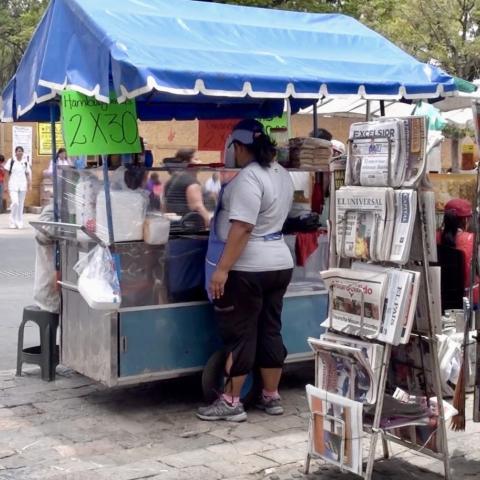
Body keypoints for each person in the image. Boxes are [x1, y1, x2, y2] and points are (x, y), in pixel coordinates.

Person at [197, 119, 294, 422]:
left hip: (249, 267)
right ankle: (271, 396)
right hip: (279, 263)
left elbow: (242, 227)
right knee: (270, 329)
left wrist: (221, 270)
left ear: (239, 147)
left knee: (241, 334)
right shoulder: (281, 174)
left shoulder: (248, 179)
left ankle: (231, 401)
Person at [437, 198, 479, 303]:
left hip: (439, 298)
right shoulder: (472, 239)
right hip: (468, 299)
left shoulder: (433, 238)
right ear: (465, 220)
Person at [164, 149, 210, 228]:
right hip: (188, 228)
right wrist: (209, 224)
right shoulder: (191, 182)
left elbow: (164, 204)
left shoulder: (173, 178)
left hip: (173, 226)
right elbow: (197, 207)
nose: (200, 162)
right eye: (196, 159)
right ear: (186, 163)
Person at [4, 146, 32, 229]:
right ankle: (12, 221)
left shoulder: (25, 162)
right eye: (18, 151)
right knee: (15, 202)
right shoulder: (11, 161)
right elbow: (6, 173)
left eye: (21, 151)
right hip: (13, 185)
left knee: (21, 205)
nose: (20, 152)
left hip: (23, 185)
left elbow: (27, 174)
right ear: (15, 153)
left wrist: (30, 184)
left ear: (23, 153)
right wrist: (5, 185)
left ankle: (19, 221)